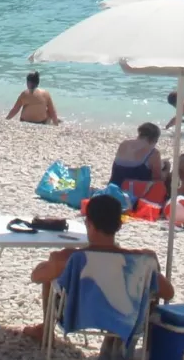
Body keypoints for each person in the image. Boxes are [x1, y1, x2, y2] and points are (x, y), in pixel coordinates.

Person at [24, 193, 175, 340]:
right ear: (119, 226)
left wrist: (54, 261)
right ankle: (141, 346)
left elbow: (36, 276)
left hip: (76, 314)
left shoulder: (72, 259)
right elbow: (168, 293)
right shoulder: (141, 261)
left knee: (52, 276)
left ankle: (47, 329)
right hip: (126, 317)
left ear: (88, 223)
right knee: (147, 290)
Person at [109, 123, 164, 190]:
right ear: (155, 139)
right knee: (166, 167)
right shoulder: (153, 153)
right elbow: (157, 179)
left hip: (114, 188)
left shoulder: (124, 144)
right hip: (135, 194)